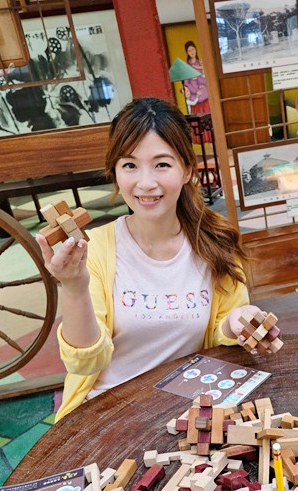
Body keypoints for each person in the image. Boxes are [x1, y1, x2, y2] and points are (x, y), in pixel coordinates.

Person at [37, 97, 270, 420]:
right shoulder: (97, 250)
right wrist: (74, 288)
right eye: (130, 165)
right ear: (115, 171)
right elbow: (87, 362)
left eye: (162, 164)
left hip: (190, 409)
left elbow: (222, 327)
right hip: (109, 412)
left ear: (187, 169)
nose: (146, 183)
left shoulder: (215, 242)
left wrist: (238, 320)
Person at [182, 41, 210, 115]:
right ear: (187, 52)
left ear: (196, 49)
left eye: (193, 49)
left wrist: (199, 76)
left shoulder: (201, 63)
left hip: (205, 97)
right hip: (196, 99)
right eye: (189, 50)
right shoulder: (186, 67)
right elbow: (186, 84)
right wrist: (195, 91)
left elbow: (207, 80)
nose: (192, 52)